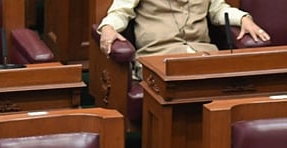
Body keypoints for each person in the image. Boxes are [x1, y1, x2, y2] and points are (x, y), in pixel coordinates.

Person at [98, 0, 269, 63]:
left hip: (203, 54)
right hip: (158, 57)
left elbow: (218, 10)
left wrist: (243, 18)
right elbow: (120, 12)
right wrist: (108, 28)